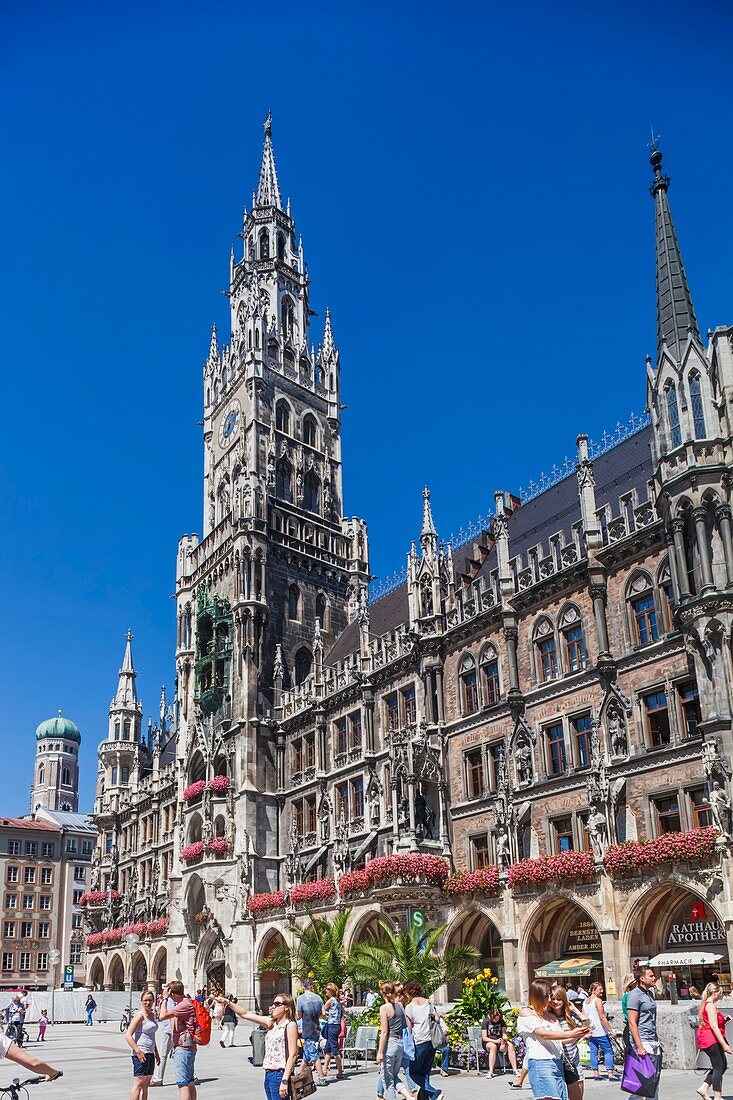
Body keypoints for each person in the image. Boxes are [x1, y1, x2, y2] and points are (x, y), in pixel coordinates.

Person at [215, 992, 298, 1100]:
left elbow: (293, 1055)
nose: (273, 1006)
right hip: (269, 1073)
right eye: (273, 1003)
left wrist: (285, 1080)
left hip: (280, 1074)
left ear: (287, 1007)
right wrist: (227, 1002)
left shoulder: (290, 1025)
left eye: (277, 1004)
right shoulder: (271, 1023)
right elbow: (245, 1014)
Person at [517, 979, 589, 1100]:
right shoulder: (526, 1012)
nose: (550, 1000)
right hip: (541, 1063)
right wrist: (571, 1034)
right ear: (537, 996)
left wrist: (577, 1035)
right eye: (547, 996)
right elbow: (543, 1034)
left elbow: (562, 1039)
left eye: (550, 995)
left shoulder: (550, 1016)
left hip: (557, 1063)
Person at [403, 979, 443, 1100]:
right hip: (432, 1040)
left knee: (413, 1073)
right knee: (425, 1073)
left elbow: (409, 1029)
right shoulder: (429, 1004)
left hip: (419, 1041)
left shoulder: (409, 1007)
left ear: (408, 992)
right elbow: (437, 1019)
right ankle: (424, 1098)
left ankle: (434, 1093)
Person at [158, 981, 198, 1100]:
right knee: (190, 1082)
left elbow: (162, 1016)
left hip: (183, 1049)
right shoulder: (187, 1003)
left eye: (170, 995)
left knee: (183, 1084)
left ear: (172, 994)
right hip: (189, 1047)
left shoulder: (183, 1005)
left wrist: (164, 999)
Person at [627, 967, 661, 1100]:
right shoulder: (635, 995)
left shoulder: (649, 993)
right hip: (643, 1040)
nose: (654, 978)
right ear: (642, 978)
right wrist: (639, 1046)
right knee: (643, 1081)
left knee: (654, 1079)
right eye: (651, 976)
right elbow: (632, 1022)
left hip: (652, 1039)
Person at [695, 982, 732, 1100]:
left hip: (708, 1038)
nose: (720, 996)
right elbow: (714, 1026)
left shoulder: (707, 1004)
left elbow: (712, 1023)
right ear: (714, 992)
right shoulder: (710, 1005)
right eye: (719, 993)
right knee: (718, 1067)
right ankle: (717, 1096)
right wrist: (724, 1044)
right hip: (711, 1039)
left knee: (721, 1065)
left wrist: (724, 1021)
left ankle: (704, 1088)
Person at [548, 987, 584, 1100]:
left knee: (577, 1097)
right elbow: (557, 1040)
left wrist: (576, 1010)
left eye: (559, 999)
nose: (556, 1002)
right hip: (557, 1063)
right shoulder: (548, 1018)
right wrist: (575, 1035)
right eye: (553, 999)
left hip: (573, 1061)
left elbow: (589, 1026)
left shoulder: (570, 1016)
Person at [124, 990, 160, 1100]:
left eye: (150, 1000)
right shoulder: (139, 1016)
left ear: (153, 1001)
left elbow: (151, 1036)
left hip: (150, 1053)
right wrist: (138, 1051)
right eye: (145, 1001)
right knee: (138, 1084)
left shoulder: (152, 1015)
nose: (147, 1003)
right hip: (141, 1053)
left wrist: (156, 1052)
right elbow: (128, 1035)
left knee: (146, 1085)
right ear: (141, 1001)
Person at [582, 982, 618, 1081]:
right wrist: (611, 1030)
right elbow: (602, 1017)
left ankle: (596, 1073)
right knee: (608, 1051)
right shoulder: (597, 1001)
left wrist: (585, 1030)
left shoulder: (585, 1002)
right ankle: (610, 1073)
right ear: (593, 990)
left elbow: (583, 1017)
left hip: (591, 1031)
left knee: (593, 1052)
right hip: (600, 1030)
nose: (602, 991)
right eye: (599, 989)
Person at [377, 982, 406, 1100]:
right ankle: (408, 1096)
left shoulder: (384, 1008)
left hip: (390, 1044)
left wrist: (379, 1052)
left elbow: (384, 1032)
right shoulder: (400, 1005)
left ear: (382, 993)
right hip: (400, 1043)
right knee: (394, 1076)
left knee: (387, 1079)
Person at [296, 979, 327, 1086]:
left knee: (313, 1055)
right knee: (306, 1054)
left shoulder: (301, 999)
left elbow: (299, 1016)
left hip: (307, 1028)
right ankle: (298, 1074)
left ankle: (322, 1077)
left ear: (303, 986)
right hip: (316, 1028)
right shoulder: (318, 998)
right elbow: (323, 1013)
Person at [482, 1007, 519, 1078]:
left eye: (498, 1018)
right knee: (493, 1046)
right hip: (489, 1042)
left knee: (510, 1046)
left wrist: (504, 1040)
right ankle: (491, 1071)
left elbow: (504, 1033)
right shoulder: (486, 1022)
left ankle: (515, 1070)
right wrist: (495, 1041)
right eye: (495, 1018)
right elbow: (484, 1038)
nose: (496, 1020)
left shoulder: (501, 1022)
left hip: (499, 1041)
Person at [150, 991, 174, 1088]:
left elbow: (162, 1016)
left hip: (169, 1030)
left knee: (163, 1055)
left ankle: (158, 1079)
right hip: (175, 1030)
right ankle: (192, 1076)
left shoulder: (169, 1001)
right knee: (181, 1054)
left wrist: (164, 999)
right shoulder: (179, 1000)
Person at [322, 983, 344, 1080]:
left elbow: (323, 1010)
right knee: (328, 1048)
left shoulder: (330, 1001)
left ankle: (340, 1070)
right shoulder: (338, 1001)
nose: (326, 991)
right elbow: (342, 1012)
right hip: (337, 1025)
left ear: (331, 991)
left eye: (327, 989)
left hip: (332, 1025)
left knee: (334, 1048)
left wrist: (325, 1015)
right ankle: (324, 1069)